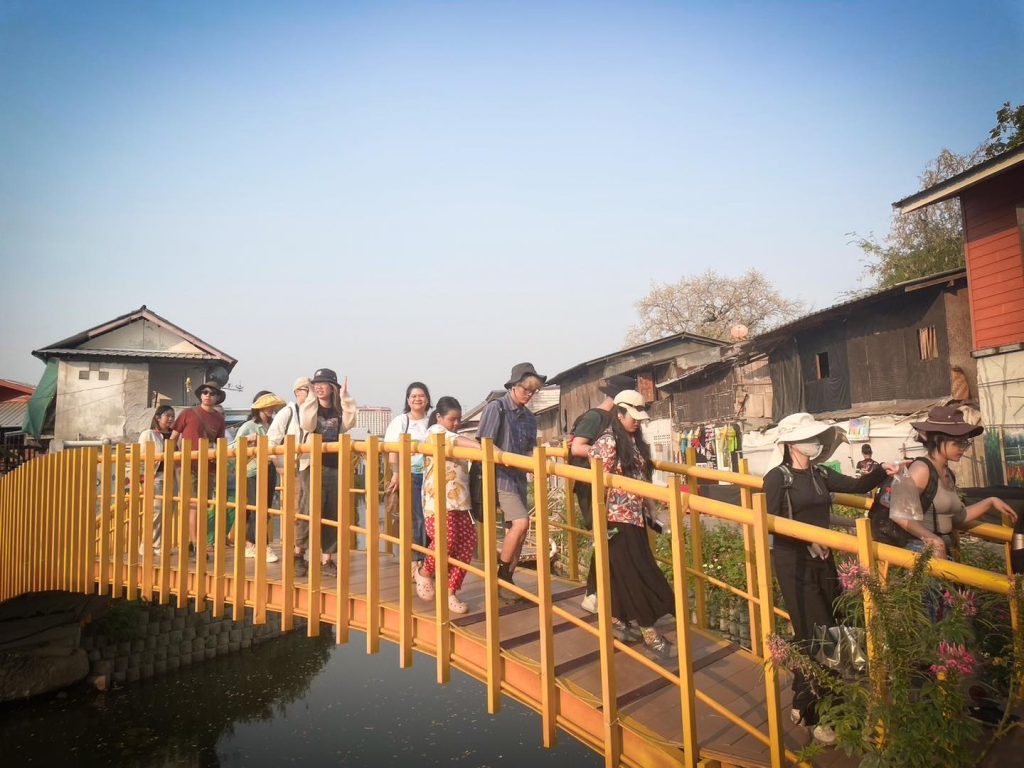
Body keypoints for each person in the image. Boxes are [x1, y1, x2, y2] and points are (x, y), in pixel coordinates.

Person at [763, 412, 891, 746]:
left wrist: (884, 471)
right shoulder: (778, 477)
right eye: (810, 436)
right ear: (791, 442)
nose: (816, 442)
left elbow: (858, 485)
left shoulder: (820, 474)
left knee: (831, 629)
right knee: (818, 634)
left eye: (818, 436)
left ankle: (806, 703)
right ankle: (816, 714)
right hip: (794, 564)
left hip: (824, 561)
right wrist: (807, 539)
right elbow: (769, 522)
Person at [589, 390, 677, 659]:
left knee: (624, 574)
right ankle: (649, 632)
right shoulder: (607, 442)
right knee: (636, 574)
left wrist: (653, 509)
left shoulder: (633, 440)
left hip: (634, 516)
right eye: (633, 416)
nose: (637, 421)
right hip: (615, 518)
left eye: (640, 417)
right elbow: (597, 482)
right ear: (619, 413)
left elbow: (641, 478)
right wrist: (598, 524)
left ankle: (619, 621)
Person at [894, 406, 1017, 561]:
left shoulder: (946, 472)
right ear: (937, 439)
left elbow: (957, 518)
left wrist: (990, 501)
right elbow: (899, 514)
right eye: (957, 442)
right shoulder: (921, 469)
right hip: (922, 554)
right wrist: (933, 539)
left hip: (945, 550)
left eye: (965, 442)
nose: (963, 448)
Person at [568, 374, 636, 614]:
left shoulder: (617, 419)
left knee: (612, 538)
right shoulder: (596, 417)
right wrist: (605, 452)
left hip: (609, 487)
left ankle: (603, 592)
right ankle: (593, 593)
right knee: (607, 537)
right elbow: (577, 446)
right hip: (591, 485)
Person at [476, 362, 545, 589]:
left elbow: (528, 449)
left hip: (518, 478)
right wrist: (505, 457)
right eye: (525, 390)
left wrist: (534, 463)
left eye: (532, 392)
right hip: (499, 476)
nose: (528, 395)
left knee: (520, 531)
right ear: (513, 386)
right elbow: (484, 443)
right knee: (521, 522)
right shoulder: (497, 408)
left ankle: (508, 577)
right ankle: (502, 575)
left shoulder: (529, 418)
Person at [414, 397, 480, 614]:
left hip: (460, 502)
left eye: (459, 419)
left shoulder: (454, 435)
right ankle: (424, 573)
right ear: (440, 417)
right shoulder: (435, 432)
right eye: (452, 419)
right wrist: (483, 448)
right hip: (439, 501)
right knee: (446, 540)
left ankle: (450, 590)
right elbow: (454, 440)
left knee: (468, 542)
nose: (456, 423)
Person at [299, 368, 357, 578]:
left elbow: (350, 424)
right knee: (308, 510)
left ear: (332, 387)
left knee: (332, 512)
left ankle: (327, 559)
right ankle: (299, 554)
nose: (319, 386)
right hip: (312, 465)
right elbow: (308, 424)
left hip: (334, 465)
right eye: (316, 383)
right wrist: (312, 398)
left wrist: (346, 399)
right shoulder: (310, 407)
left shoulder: (338, 409)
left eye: (324, 383)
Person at [169, 380, 227, 554]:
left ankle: (191, 540)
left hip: (208, 466)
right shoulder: (188, 413)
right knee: (193, 504)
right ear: (201, 395)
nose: (208, 395)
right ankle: (196, 544)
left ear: (217, 398)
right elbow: (173, 437)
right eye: (205, 392)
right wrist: (171, 458)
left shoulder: (219, 419)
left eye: (212, 393)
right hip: (188, 464)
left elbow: (220, 443)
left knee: (203, 504)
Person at [383, 382, 432, 576]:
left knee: (430, 518)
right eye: (413, 396)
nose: (417, 399)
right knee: (416, 519)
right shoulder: (401, 421)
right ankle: (416, 562)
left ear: (427, 399)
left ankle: (429, 560)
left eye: (421, 395)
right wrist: (396, 472)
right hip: (410, 475)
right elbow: (392, 450)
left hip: (430, 477)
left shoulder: (432, 421)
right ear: (408, 400)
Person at [232, 391, 286, 564]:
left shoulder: (275, 425)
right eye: (266, 406)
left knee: (266, 507)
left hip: (270, 468)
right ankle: (261, 545)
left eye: (272, 406)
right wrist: (249, 439)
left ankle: (250, 543)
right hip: (253, 471)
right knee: (258, 507)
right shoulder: (249, 425)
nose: (270, 409)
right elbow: (232, 446)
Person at [267, 377, 311, 576]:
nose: (308, 394)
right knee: (297, 512)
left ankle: (304, 553)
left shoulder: (313, 412)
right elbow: (271, 441)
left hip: (311, 468)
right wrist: (280, 467)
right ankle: (296, 554)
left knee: (309, 511)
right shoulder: (289, 412)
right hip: (293, 468)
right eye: (304, 390)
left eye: (310, 390)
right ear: (296, 392)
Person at [138, 404, 174, 556]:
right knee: (156, 511)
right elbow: (140, 457)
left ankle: (158, 544)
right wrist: (142, 477)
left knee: (168, 512)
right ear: (158, 418)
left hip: (172, 477)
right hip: (155, 477)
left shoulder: (175, 435)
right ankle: (148, 544)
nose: (171, 419)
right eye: (168, 416)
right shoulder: (149, 434)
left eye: (173, 416)